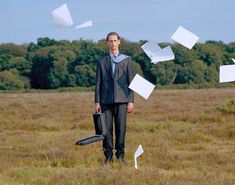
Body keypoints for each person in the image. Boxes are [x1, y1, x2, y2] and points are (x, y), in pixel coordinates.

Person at [95, 32, 134, 164]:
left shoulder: (126, 59)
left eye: (114, 41)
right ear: (107, 43)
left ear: (119, 41)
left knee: (121, 129)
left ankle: (120, 156)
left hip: (122, 100)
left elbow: (131, 82)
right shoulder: (102, 60)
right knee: (106, 130)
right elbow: (98, 83)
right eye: (110, 41)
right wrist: (97, 101)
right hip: (105, 101)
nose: (112, 44)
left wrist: (131, 101)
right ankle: (108, 157)